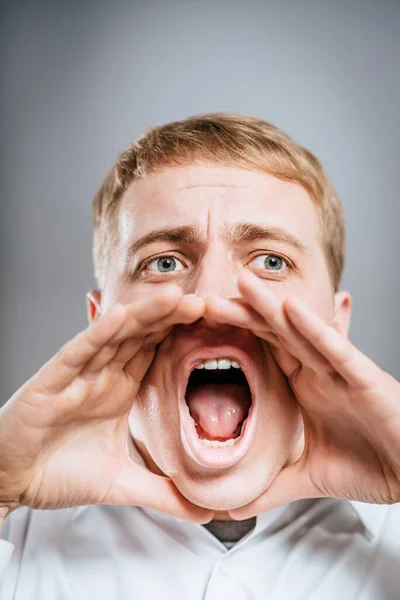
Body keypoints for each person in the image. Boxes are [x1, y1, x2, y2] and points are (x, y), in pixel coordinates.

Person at [0, 113, 399, 599]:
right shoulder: (15, 536)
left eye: (271, 261)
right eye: (164, 263)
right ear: (100, 320)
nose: (213, 302)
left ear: (336, 325)